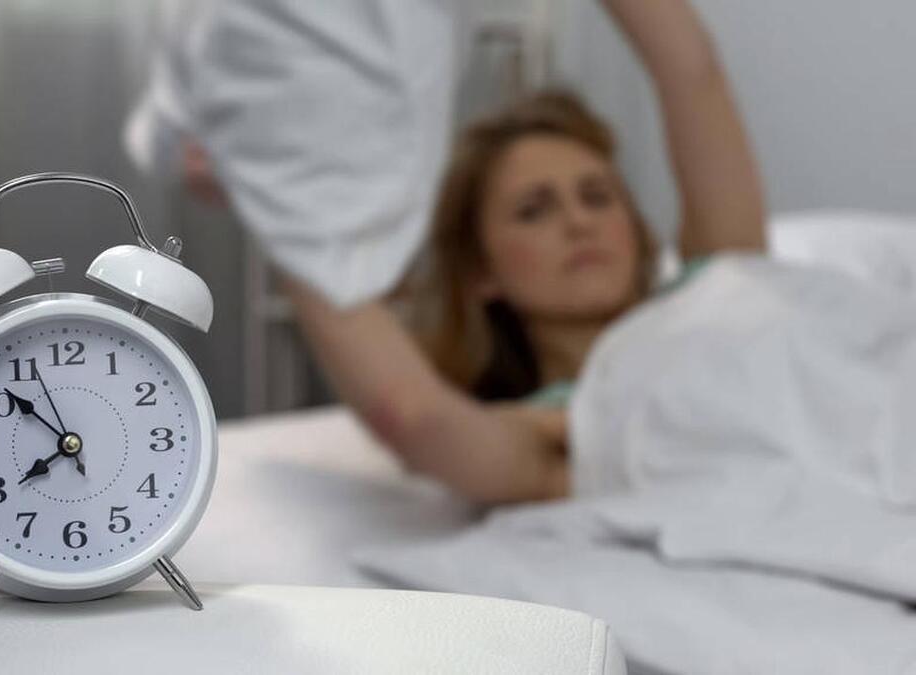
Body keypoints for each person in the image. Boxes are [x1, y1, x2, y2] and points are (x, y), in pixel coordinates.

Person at [133, 0, 764, 504]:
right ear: (482, 271)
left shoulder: (723, 290)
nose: (579, 222)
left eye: (597, 196)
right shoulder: (555, 440)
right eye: (535, 209)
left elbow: (692, 74)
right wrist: (279, 192)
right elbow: (413, 416)